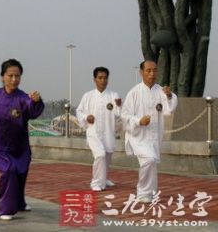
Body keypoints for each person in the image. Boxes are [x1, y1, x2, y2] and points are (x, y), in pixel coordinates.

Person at [0, 59, 44, 221]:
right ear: (2, 76)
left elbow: (33, 112)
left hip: (20, 146)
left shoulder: (23, 98)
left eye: (17, 76)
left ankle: (19, 202)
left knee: (21, 173)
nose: (14, 79)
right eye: (10, 75)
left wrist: (36, 101)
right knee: (9, 170)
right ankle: (6, 209)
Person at [121, 60, 178, 203]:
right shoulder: (134, 93)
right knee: (149, 160)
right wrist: (139, 121)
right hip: (138, 137)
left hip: (154, 137)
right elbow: (125, 116)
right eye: (148, 71)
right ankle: (143, 193)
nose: (152, 74)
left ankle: (150, 193)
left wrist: (170, 96)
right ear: (141, 73)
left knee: (150, 163)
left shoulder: (161, 91)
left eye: (154, 70)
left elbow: (169, 109)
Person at [76, 67, 121, 191]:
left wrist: (118, 105)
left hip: (108, 132)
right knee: (100, 155)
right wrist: (86, 117)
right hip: (93, 132)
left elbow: (119, 114)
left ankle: (104, 178)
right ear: (94, 79)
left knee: (107, 157)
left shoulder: (114, 95)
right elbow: (79, 111)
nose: (103, 81)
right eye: (100, 78)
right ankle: (96, 182)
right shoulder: (88, 96)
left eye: (105, 78)